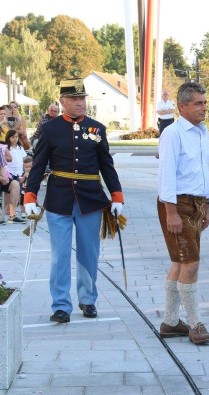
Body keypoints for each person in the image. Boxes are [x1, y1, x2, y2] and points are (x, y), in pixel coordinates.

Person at [24, 78, 124, 323]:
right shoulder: (50, 129)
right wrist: (30, 195)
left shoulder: (97, 129)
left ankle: (88, 299)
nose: (80, 103)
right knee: (60, 255)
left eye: (82, 99)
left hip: (90, 200)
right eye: (75, 99)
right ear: (63, 101)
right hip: (59, 200)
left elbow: (106, 165)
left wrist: (116, 194)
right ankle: (60, 305)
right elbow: (38, 165)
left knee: (89, 253)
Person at [157, 82, 209, 345]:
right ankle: (195, 324)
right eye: (198, 103)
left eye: (205, 102)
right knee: (191, 263)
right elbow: (166, 174)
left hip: (196, 203)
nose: (204, 107)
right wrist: (171, 213)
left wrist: (207, 205)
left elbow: (203, 171)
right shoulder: (172, 133)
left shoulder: (202, 132)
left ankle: (170, 322)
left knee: (180, 262)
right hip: (177, 204)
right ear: (182, 106)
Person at [4, 129, 27, 223]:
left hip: (18, 172)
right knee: (8, 193)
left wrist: (25, 172)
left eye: (16, 137)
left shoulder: (20, 148)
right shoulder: (6, 148)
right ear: (8, 138)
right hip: (8, 172)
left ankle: (12, 212)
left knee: (17, 193)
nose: (15, 139)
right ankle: (8, 211)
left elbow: (23, 160)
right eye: (13, 137)